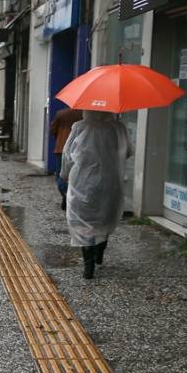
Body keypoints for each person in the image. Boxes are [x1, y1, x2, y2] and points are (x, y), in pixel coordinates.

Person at [59, 110, 133, 279]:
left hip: (83, 181)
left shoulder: (80, 127)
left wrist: (64, 174)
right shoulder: (118, 128)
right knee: (104, 217)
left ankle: (88, 265)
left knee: (84, 220)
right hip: (110, 180)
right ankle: (100, 250)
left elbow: (67, 155)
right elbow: (128, 151)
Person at [49, 106, 84, 210]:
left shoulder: (61, 114)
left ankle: (65, 194)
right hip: (78, 149)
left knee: (61, 175)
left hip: (61, 148)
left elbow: (52, 130)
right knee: (76, 175)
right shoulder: (83, 115)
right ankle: (71, 196)